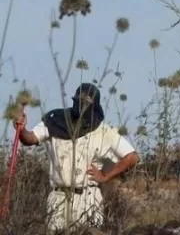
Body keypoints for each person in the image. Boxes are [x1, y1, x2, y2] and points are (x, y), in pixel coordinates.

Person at [13, 83, 139, 233]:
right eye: (79, 100)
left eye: (87, 101)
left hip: (88, 198)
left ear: (94, 105)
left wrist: (105, 176)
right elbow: (30, 138)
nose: (82, 105)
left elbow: (132, 157)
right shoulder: (56, 121)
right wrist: (21, 129)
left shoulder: (104, 131)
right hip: (58, 198)